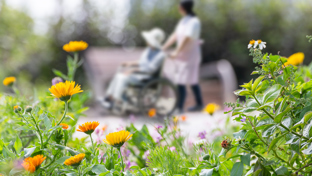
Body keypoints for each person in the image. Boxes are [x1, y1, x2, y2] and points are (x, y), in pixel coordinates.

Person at [101, 28, 166, 109]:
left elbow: (150, 69)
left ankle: (116, 101)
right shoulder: (148, 50)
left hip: (146, 77)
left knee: (123, 78)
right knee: (118, 75)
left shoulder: (160, 55)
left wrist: (133, 70)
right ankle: (109, 97)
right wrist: (129, 63)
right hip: (139, 74)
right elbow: (141, 62)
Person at [162, 0, 204, 112]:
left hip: (191, 54)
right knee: (186, 79)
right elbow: (175, 36)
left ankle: (180, 107)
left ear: (183, 8)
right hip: (183, 54)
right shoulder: (184, 21)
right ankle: (197, 104)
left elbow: (187, 38)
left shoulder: (194, 21)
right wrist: (164, 47)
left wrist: (176, 51)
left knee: (187, 79)